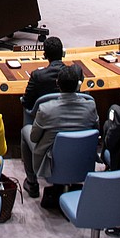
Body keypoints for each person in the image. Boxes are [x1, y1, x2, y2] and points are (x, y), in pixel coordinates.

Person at [20, 66, 98, 200]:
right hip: (82, 157)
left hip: (51, 159)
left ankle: (32, 183)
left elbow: (34, 137)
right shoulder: (91, 106)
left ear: (57, 84)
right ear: (79, 84)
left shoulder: (46, 109)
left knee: (25, 131)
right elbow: (96, 130)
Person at [21, 36, 69, 112]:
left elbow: (26, 103)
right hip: (67, 114)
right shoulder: (74, 73)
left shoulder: (37, 76)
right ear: (63, 53)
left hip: (44, 118)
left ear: (45, 55)